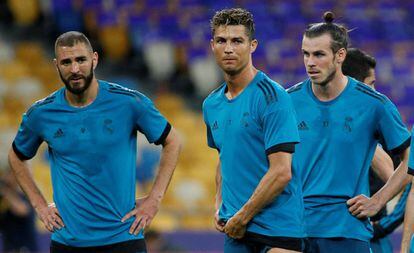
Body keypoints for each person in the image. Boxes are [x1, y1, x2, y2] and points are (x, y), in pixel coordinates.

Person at [8, 31, 182, 253]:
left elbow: (173, 140)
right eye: (66, 62)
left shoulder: (129, 102)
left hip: (123, 239)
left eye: (81, 59)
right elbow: (16, 156)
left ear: (95, 59)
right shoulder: (41, 113)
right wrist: (40, 206)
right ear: (56, 65)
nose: (74, 69)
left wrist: (154, 199)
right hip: (68, 243)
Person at [287, 12, 411, 253]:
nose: (310, 62)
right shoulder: (287, 101)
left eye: (319, 54)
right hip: (294, 231)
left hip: (348, 232)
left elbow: (411, 158)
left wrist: (378, 200)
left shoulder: (374, 104)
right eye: (306, 54)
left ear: (340, 55)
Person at [203, 8, 304, 253]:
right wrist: (220, 204)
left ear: (253, 45)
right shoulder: (211, 104)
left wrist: (243, 216)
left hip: (278, 229)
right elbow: (224, 157)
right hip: (236, 230)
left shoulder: (272, 96)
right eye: (221, 41)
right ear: (212, 45)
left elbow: (281, 172)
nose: (228, 48)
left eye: (237, 41)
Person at [342, 48, 411, 253]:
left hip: (367, 235)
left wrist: (382, 224)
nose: (375, 92)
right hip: (327, 232)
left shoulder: (374, 126)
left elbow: (403, 176)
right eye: (371, 84)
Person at [0, 167, 38, 253]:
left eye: (10, 175)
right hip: (9, 248)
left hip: (25, 249)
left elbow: (22, 210)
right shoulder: (3, 201)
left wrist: (5, 190)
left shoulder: (24, 196)